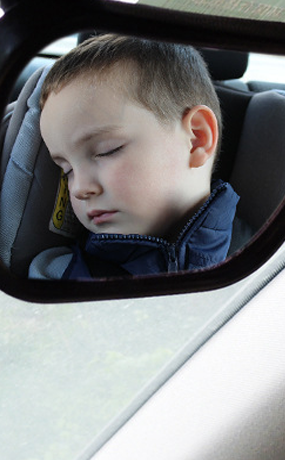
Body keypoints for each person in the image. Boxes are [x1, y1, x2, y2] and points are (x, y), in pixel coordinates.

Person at [29, 34, 239, 279]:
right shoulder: (60, 276)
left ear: (196, 140)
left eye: (107, 150)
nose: (79, 189)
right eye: (67, 170)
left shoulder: (268, 258)